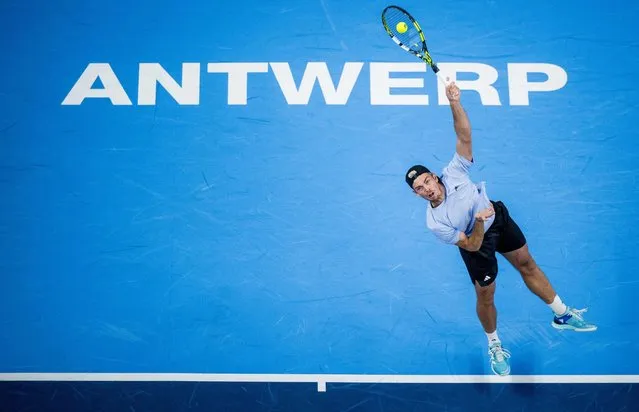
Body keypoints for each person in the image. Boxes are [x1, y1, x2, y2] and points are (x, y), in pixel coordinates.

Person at [405, 81, 597, 376]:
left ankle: (562, 314)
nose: (427, 189)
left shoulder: (454, 171)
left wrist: (454, 102)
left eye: (427, 181)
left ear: (434, 176)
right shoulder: (435, 222)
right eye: (419, 189)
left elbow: (464, 134)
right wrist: (479, 222)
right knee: (486, 295)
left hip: (499, 218)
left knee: (526, 263)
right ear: (416, 195)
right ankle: (494, 345)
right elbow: (469, 245)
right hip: (476, 238)